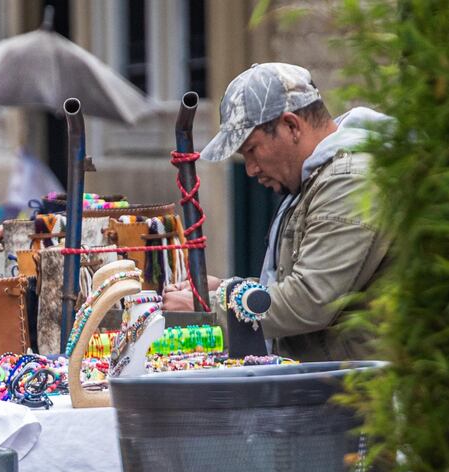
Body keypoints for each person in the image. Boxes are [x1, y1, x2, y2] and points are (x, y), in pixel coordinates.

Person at [162, 63, 392, 362]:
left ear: (292, 126)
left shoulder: (349, 179)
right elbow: (299, 285)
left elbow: (310, 299)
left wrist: (211, 306)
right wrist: (233, 289)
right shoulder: (316, 178)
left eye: (252, 149)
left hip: (364, 395)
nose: (251, 169)